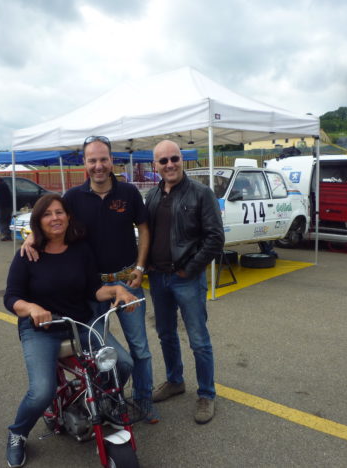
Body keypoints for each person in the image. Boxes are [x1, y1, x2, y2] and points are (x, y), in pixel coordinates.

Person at [21, 135, 158, 423]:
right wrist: (33, 236)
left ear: (112, 161)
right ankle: (105, 400)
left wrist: (141, 267)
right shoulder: (72, 197)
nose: (98, 165)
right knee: (95, 352)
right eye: (92, 160)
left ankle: (144, 400)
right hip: (91, 287)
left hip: (126, 282)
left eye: (103, 159)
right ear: (84, 163)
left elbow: (144, 229)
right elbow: (51, 218)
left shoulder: (129, 193)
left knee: (140, 349)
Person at [4, 193, 137, 468]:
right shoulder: (28, 254)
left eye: (59, 212)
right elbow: (11, 297)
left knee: (122, 364)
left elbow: (93, 290)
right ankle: (17, 433)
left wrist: (117, 290)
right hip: (43, 329)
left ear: (67, 217)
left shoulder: (80, 249)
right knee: (42, 391)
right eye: (47, 214)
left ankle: (99, 403)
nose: (55, 218)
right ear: (39, 221)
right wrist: (30, 308)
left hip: (80, 325)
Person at [145, 140, 225, 424]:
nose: (169, 165)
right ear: (155, 166)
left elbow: (215, 238)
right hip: (158, 277)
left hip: (185, 279)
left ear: (182, 160)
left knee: (199, 340)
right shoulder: (152, 196)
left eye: (174, 158)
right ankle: (175, 381)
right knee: (165, 334)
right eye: (163, 161)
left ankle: (207, 394)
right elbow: (145, 235)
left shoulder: (202, 194)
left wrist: (189, 270)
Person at [0, 176, 13, 241]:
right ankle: (8, 235)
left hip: (3, 206)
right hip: (9, 205)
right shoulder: (5, 185)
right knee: (8, 220)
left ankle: (6, 235)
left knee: (3, 220)